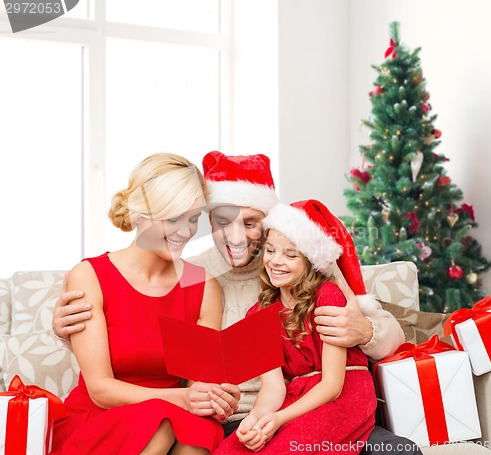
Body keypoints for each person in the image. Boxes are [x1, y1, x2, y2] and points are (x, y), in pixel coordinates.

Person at [53, 151, 421, 454]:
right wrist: (69, 331)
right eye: (220, 221)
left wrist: (366, 329)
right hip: (238, 421)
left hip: (310, 408)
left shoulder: (302, 266)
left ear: (272, 222)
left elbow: (391, 335)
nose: (235, 237)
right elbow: (184, 369)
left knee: (399, 452)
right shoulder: (199, 273)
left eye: (250, 223)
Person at [51, 153, 234, 455]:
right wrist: (185, 400)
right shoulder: (90, 275)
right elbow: (101, 390)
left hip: (171, 415)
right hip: (99, 419)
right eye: (172, 218)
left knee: (200, 429)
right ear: (138, 215)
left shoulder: (202, 286)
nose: (185, 232)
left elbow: (199, 381)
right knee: (159, 422)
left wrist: (214, 395)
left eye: (193, 219)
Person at [214, 199, 377, 454]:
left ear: (310, 261)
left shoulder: (328, 296)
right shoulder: (256, 314)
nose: (276, 262)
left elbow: (333, 386)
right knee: (232, 449)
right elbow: (273, 387)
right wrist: (255, 419)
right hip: (296, 395)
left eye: (290, 254)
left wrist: (279, 419)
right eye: (270, 251)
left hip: (343, 394)